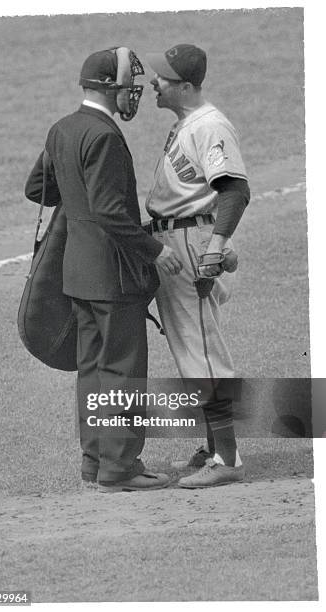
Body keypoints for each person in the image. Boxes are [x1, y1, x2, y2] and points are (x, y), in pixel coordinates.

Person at [25, 47, 182, 493]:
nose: (133, 95)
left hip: (76, 273)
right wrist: (154, 251)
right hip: (113, 276)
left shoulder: (63, 128)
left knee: (92, 369)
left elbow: (36, 187)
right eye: (129, 88)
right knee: (122, 370)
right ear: (110, 89)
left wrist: (76, 202)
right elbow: (113, 213)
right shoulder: (104, 136)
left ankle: (93, 461)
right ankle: (121, 467)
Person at [145, 44, 251, 487]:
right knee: (194, 348)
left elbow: (235, 191)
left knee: (202, 352)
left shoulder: (209, 125)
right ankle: (216, 447)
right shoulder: (189, 123)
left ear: (186, 86)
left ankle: (226, 460)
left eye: (163, 79)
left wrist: (216, 245)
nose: (154, 82)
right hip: (181, 235)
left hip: (189, 242)